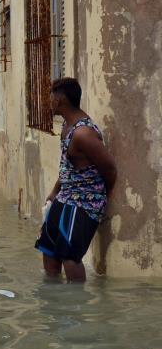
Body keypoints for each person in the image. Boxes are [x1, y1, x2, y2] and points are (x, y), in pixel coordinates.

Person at [35, 78, 117, 282]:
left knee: (70, 257)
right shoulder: (67, 126)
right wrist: (55, 192)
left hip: (83, 202)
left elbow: (109, 168)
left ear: (60, 99)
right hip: (66, 196)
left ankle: (74, 308)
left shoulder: (83, 133)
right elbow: (69, 167)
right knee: (48, 248)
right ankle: (53, 301)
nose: (49, 101)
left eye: (51, 97)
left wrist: (102, 197)